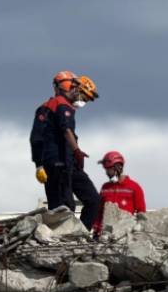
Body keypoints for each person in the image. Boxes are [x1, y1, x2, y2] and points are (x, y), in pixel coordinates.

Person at [29, 71, 102, 229]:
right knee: (63, 207)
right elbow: (65, 129)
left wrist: (39, 164)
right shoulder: (60, 104)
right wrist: (77, 151)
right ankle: (66, 237)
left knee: (93, 200)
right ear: (70, 86)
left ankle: (79, 234)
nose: (82, 100)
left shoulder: (48, 107)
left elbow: (36, 138)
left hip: (69, 162)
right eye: (83, 95)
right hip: (58, 162)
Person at [93, 151, 147, 236]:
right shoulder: (105, 187)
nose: (106, 173)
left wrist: (137, 231)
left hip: (124, 235)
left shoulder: (134, 187)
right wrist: (96, 229)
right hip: (104, 235)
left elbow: (142, 213)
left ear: (118, 167)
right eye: (106, 169)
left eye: (109, 169)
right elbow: (99, 212)